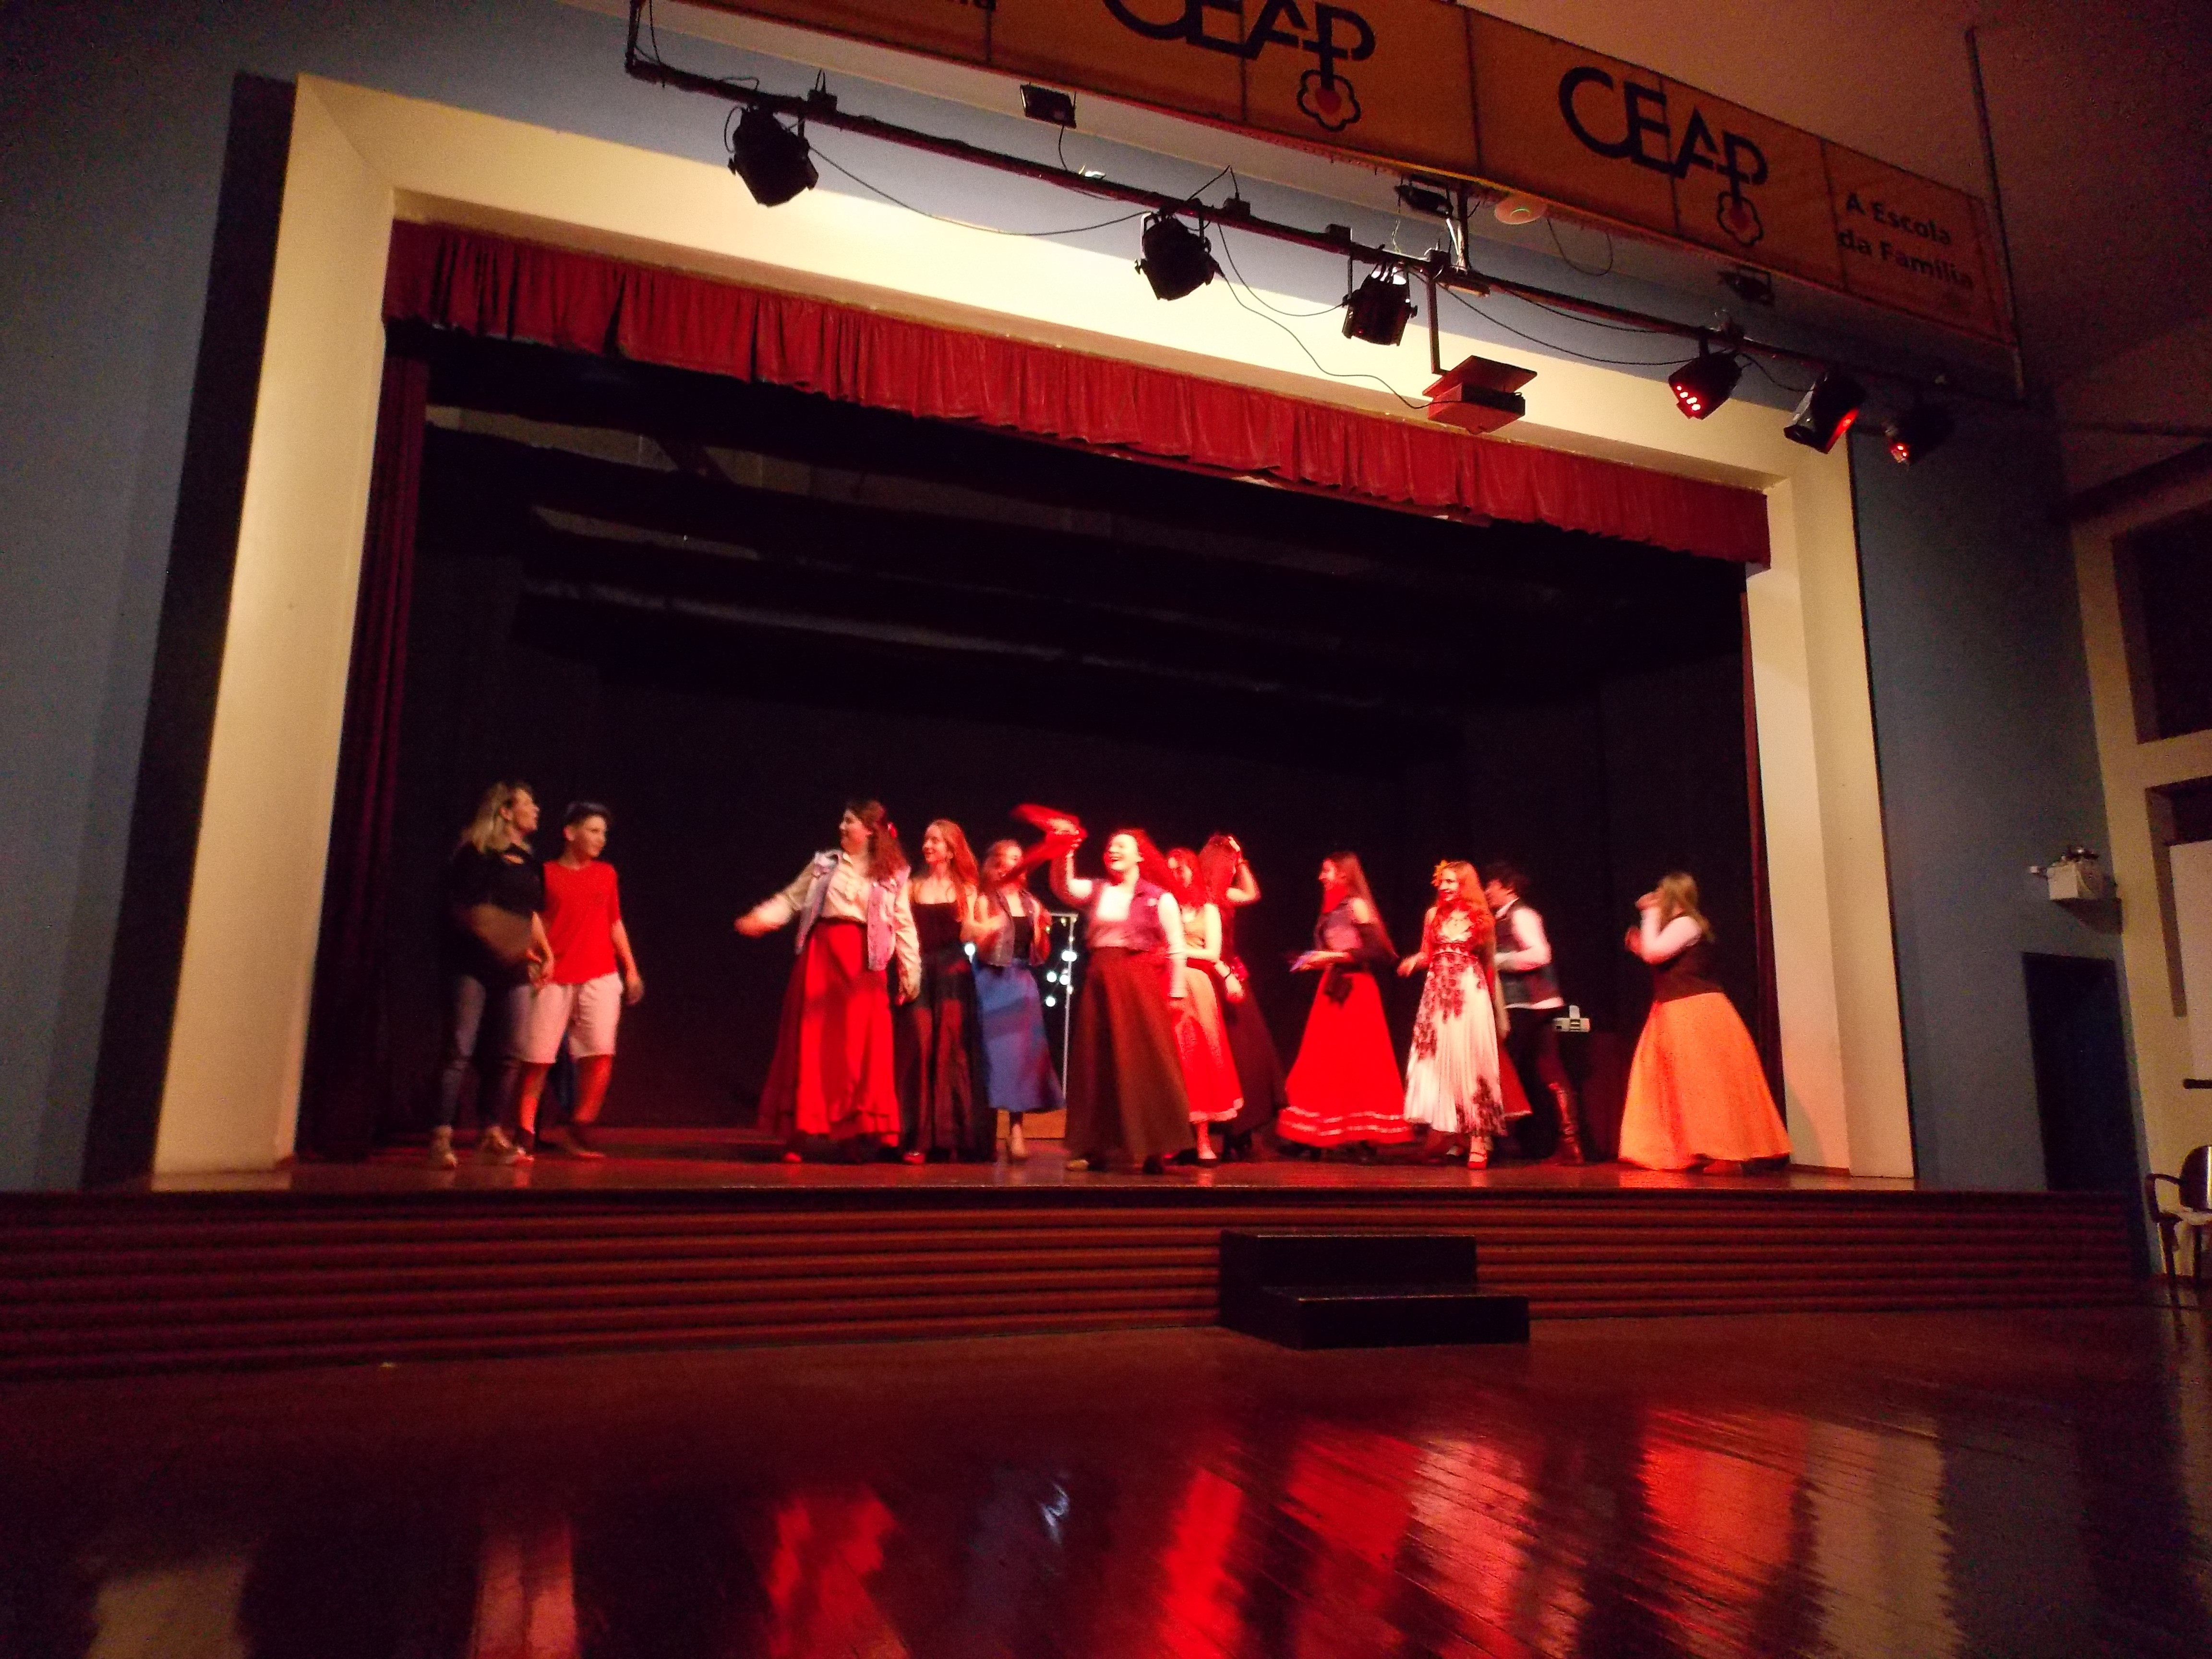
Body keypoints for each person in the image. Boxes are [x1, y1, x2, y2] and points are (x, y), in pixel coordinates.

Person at [737, 800, 921, 1162]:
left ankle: (849, 1133)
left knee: (854, 1052)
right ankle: (799, 1133)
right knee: (813, 1044)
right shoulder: (825, 864)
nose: (841, 826)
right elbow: (791, 900)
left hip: (865, 966)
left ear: (869, 830)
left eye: (849, 821)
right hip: (822, 959)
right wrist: (761, 919)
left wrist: (910, 971)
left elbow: (903, 923)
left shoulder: (892, 873)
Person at [1616, 872, 1792, 1172]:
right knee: (1677, 1083)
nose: (1657, 899)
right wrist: (1643, 943)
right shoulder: (1680, 926)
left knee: (1704, 1083)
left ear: (1672, 897)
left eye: (1661, 894)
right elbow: (1653, 952)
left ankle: (1727, 1154)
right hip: (1674, 1009)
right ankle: (1688, 1150)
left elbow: (1655, 954)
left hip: (1694, 1011)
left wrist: (1649, 914)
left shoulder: (1688, 923)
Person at [1048, 818, 1193, 1173]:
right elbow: (1064, 888)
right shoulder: (1098, 890)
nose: (1113, 850)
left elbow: (1177, 948)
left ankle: (1155, 1148)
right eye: (1110, 846)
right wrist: (1065, 851)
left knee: (1145, 1062)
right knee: (1097, 1062)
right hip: (1100, 979)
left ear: (1140, 856)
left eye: (1121, 846)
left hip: (1137, 982)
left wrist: (1176, 993)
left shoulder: (1159, 898)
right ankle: (1096, 1146)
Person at [513, 802, 645, 1160]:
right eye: (593, 831)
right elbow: (535, 921)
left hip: (600, 974)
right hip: (555, 976)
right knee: (538, 1058)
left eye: (604, 833)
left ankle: (578, 1128)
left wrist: (631, 968)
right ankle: (525, 1134)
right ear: (570, 833)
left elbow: (614, 921)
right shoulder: (546, 873)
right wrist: (534, 957)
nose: (601, 839)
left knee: (600, 1054)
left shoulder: (606, 874)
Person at [430, 780, 551, 1168]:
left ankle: (491, 1132)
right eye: (528, 804)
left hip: (513, 970)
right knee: (459, 1050)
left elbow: (531, 914)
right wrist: (503, 939)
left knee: (511, 1052)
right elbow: (466, 911)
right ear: (506, 811)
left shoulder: (530, 863)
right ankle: (441, 1136)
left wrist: (545, 952)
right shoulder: (476, 854)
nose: (536, 810)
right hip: (473, 965)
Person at [1279, 852, 1410, 1154]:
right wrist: (1312, 961)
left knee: (1359, 1060)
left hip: (1356, 990)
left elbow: (1379, 952)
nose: (1321, 877)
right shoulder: (1331, 910)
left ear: (1343, 874)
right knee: (1321, 1059)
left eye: (1326, 871)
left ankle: (1364, 1137)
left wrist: (1330, 957)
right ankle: (1312, 1136)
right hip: (1331, 988)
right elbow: (1333, 952)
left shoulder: (1356, 905)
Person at [1399, 862, 1520, 1167]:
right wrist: (1414, 962)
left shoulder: (1481, 919)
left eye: (1452, 881)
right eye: (1443, 881)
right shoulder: (1433, 915)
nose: (1445, 887)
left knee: (1471, 1062)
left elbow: (1489, 964)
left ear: (1465, 884)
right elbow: (1427, 953)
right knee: (1441, 1065)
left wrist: (1497, 1010)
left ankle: (1479, 1140)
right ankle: (1456, 1137)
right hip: (1437, 996)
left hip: (1469, 995)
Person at [898, 819, 991, 1163]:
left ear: (952, 850)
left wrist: (987, 928)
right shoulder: (912, 886)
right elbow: (902, 929)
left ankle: (952, 1137)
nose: (928, 845)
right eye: (926, 839)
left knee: (951, 1050)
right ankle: (918, 1137)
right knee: (920, 1048)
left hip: (953, 973)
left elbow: (968, 933)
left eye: (936, 840)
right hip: (921, 970)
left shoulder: (966, 888)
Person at [1484, 863, 1587, 1165]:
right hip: (1534, 1005)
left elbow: (1540, 954)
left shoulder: (1522, 915)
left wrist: (1496, 961)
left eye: (1492, 886)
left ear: (1509, 888)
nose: (1487, 892)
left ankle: (1509, 1144)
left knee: (1512, 1070)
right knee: (1542, 1071)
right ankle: (1564, 1143)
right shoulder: (1504, 917)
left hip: (1527, 1005)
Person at [974, 838, 1064, 1161]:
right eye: (1010, 857)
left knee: (1021, 1061)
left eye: (1019, 857)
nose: (1017, 862)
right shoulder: (985, 900)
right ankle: (983, 1135)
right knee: (991, 1059)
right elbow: (982, 949)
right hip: (990, 983)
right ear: (997, 865)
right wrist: (992, 930)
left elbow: (1040, 955)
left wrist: (1043, 931)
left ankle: (1016, 1133)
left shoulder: (1032, 904)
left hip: (1021, 984)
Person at [1198, 833, 1286, 1156]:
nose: (1234, 870)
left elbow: (1253, 893)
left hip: (1232, 975)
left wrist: (1242, 859)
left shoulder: (1226, 895)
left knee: (1247, 1053)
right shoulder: (1199, 896)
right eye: (1230, 865)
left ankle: (1240, 1129)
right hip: (1208, 973)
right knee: (1214, 1052)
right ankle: (1209, 1131)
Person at [1167, 848, 1244, 1163]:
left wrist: (1175, 950)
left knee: (1199, 1058)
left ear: (1193, 871)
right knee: (1173, 1060)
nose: (1176, 875)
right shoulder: (1166, 906)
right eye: (1171, 870)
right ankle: (1172, 1137)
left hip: (1197, 985)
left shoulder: (1208, 909)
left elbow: (1213, 953)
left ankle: (1202, 1140)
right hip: (1167, 982)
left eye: (1181, 869)